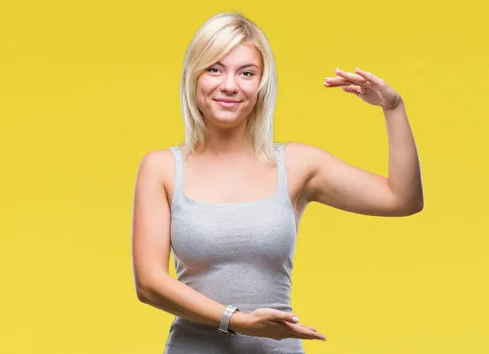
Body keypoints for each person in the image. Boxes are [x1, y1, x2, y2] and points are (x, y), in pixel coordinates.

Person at [131, 12, 424, 354]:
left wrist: (393, 107)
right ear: (194, 77)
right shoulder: (162, 168)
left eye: (246, 73)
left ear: (261, 85)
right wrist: (237, 320)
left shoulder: (298, 165)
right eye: (215, 68)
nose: (229, 85)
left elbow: (402, 199)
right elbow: (149, 284)